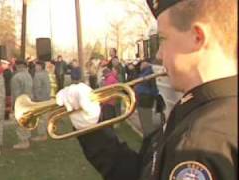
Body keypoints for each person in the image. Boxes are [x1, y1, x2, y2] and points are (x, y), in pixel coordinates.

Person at [53, 0, 238, 179]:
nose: (158, 54)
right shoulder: (200, 110)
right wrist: (91, 128)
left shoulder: (199, 140)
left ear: (197, 37)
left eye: (163, 39)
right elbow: (142, 173)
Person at [10, 59, 33, 149]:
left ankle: (23, 142)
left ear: (18, 66)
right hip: (29, 101)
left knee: (20, 122)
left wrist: (13, 106)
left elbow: (15, 93)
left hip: (20, 103)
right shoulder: (28, 75)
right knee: (27, 121)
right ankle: (27, 139)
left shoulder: (17, 77)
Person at [134, 60, 160, 137]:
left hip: (145, 99)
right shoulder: (144, 73)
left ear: (145, 65)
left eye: (141, 65)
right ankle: (148, 135)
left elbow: (153, 87)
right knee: (145, 120)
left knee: (146, 120)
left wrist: (155, 96)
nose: (140, 66)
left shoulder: (149, 73)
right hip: (142, 99)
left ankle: (150, 137)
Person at [31, 60, 51, 141]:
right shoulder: (46, 74)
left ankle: (41, 135)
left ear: (39, 66)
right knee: (45, 117)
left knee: (41, 118)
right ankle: (45, 133)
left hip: (40, 99)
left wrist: (35, 99)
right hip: (46, 98)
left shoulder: (38, 75)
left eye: (36, 66)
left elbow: (36, 88)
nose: (35, 67)